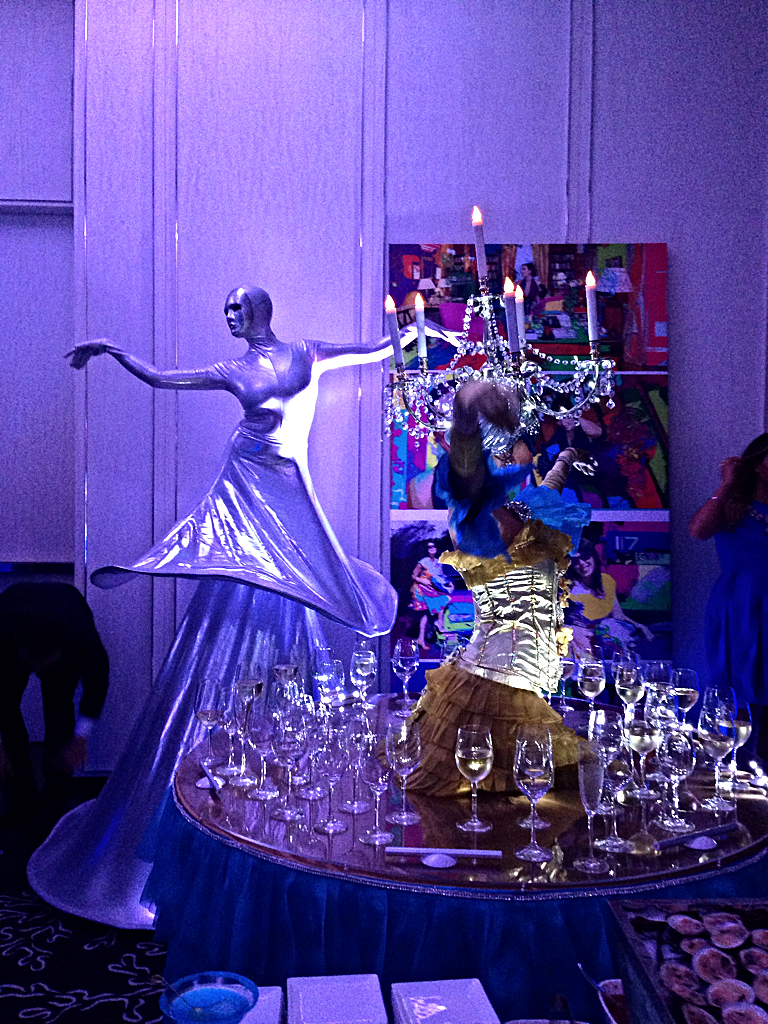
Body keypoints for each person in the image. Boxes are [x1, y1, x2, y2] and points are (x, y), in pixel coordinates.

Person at [27, 286, 396, 928]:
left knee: (299, 593)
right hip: (246, 480)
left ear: (261, 311)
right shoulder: (232, 369)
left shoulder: (306, 352)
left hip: (287, 485)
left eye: (236, 308)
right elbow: (164, 378)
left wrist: (410, 334)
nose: (229, 317)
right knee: (239, 596)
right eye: (225, 310)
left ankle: (300, 813)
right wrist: (114, 351)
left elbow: (368, 349)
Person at [406, 380, 593, 796]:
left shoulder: (528, 507)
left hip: (522, 677)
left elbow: (548, 489)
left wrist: (566, 457)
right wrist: (467, 409)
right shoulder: (473, 514)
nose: (515, 456)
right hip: (491, 681)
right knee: (481, 793)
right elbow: (468, 477)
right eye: (506, 450)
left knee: (525, 794)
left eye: (518, 449)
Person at [689, 433, 768, 758]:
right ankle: (732, 764)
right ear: (758, 465)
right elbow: (698, 531)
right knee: (737, 691)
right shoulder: (733, 506)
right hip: (739, 608)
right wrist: (726, 484)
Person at [0, 583, 109, 818]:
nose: (38, 671)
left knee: (59, 707)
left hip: (66, 617)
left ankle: (56, 795)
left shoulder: (81, 639)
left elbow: (97, 683)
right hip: (12, 624)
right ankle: (20, 798)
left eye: (44, 663)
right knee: (5, 708)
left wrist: (80, 738)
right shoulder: (3, 637)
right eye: (33, 663)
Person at [566, 538, 653, 657]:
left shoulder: (607, 581)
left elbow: (618, 615)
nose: (582, 563)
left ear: (594, 557)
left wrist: (640, 626)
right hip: (582, 645)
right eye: (575, 561)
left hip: (609, 642)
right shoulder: (568, 588)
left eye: (585, 557)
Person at [410, 539, 454, 649]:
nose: (431, 548)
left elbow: (441, 576)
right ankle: (436, 626)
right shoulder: (423, 561)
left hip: (432, 589)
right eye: (429, 547)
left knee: (437, 606)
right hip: (422, 589)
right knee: (438, 603)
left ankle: (423, 637)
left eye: (433, 546)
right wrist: (422, 581)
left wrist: (449, 583)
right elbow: (414, 575)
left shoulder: (438, 562)